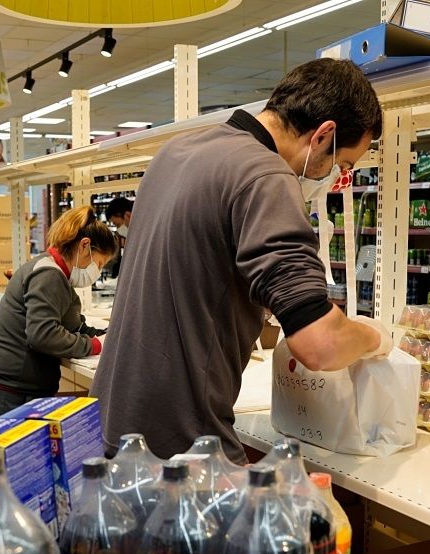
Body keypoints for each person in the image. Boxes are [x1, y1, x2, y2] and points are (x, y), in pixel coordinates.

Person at [91, 58, 392, 463]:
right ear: (323, 135)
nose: (333, 178)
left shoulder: (178, 151)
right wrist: (375, 338)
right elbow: (321, 345)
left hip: (112, 426)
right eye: (340, 165)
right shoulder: (265, 176)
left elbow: (197, 264)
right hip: (182, 449)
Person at [0, 205, 117, 421]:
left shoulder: (56, 274)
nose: (98, 272)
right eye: (99, 264)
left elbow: (72, 326)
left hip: (12, 393)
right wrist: (96, 344)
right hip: (5, 397)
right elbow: (43, 335)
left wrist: (109, 334)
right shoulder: (49, 274)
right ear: (85, 246)